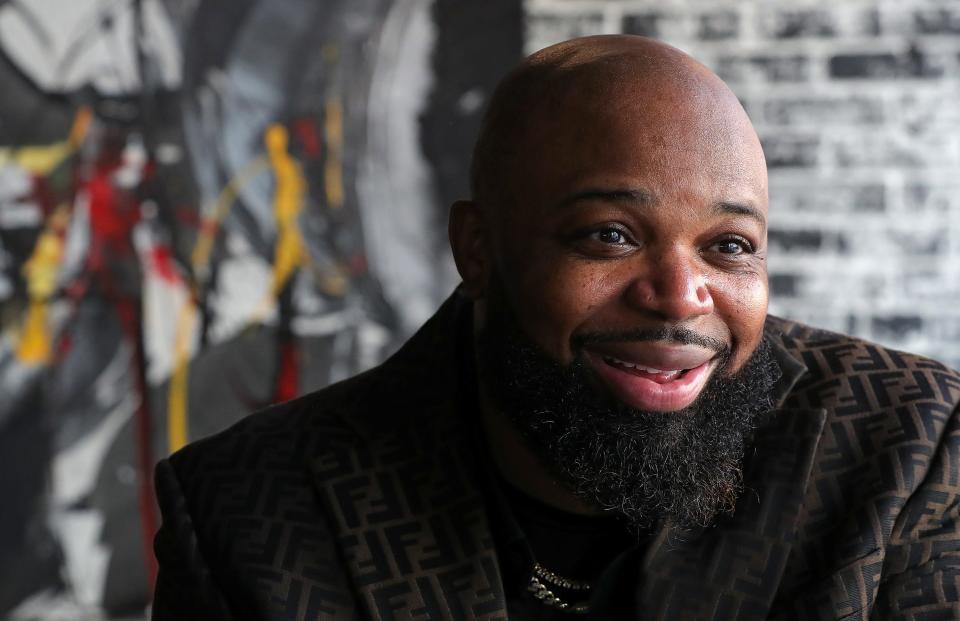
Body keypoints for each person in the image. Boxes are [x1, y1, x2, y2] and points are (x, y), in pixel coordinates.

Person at [151, 35, 960, 620]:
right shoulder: (246, 508)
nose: (681, 296)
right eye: (609, 234)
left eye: (729, 247)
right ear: (478, 247)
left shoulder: (911, 444)